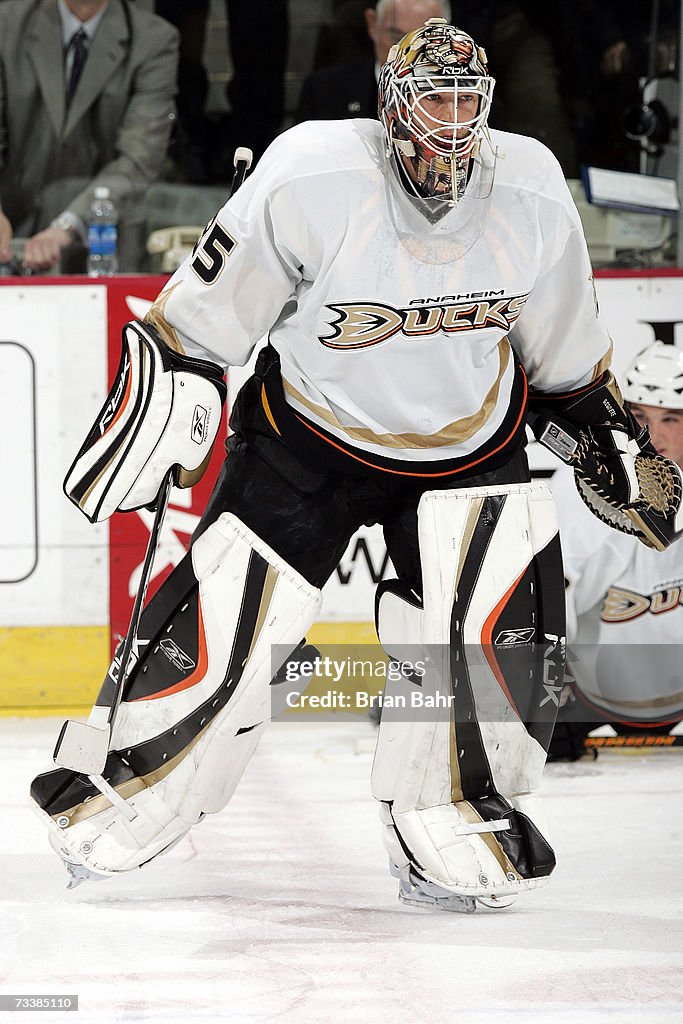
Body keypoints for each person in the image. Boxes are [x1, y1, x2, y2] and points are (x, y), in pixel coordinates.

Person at [30, 19, 683, 913]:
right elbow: (202, 317)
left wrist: (605, 434)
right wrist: (168, 389)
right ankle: (136, 776)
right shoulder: (311, 173)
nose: (451, 124)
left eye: (468, 102)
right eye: (432, 100)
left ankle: (449, 804)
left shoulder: (530, 186)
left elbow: (562, 350)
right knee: (232, 613)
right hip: (311, 432)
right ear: (389, 106)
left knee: (479, 639)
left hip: (470, 441)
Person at [550, 341, 683, 758]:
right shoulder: (582, 487)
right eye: (640, 416)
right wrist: (547, 699)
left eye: (671, 419)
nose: (653, 434)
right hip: (591, 696)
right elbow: (552, 596)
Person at [0, 0, 178, 272]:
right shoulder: (6, 24)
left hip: (102, 240)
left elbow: (138, 159)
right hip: (11, 223)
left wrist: (67, 224)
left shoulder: (154, 40)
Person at [295, 0, 451, 123]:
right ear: (372, 24)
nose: (407, 53)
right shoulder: (324, 91)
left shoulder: (462, 97)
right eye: (396, 37)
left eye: (423, 40)